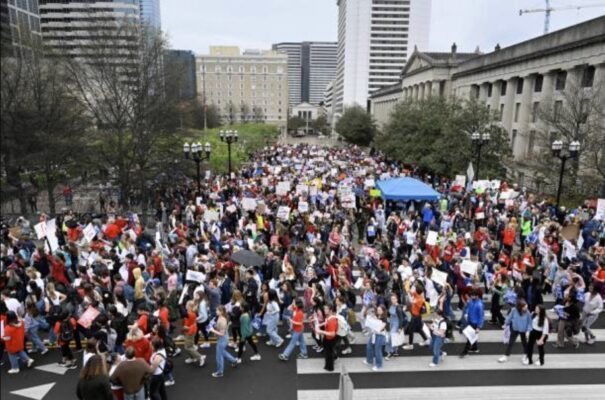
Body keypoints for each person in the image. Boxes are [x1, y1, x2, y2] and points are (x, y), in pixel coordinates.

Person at [498, 298, 532, 364]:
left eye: (526, 306)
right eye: (524, 307)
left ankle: (526, 355)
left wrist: (528, 331)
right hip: (515, 329)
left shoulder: (527, 312)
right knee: (510, 343)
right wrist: (506, 323)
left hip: (523, 330)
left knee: (524, 343)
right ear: (520, 307)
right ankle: (506, 355)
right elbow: (509, 317)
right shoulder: (514, 310)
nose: (526, 308)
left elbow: (529, 323)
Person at [209, 305, 239, 377]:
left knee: (219, 356)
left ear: (221, 312)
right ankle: (234, 361)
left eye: (217, 311)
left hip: (222, 339)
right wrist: (213, 325)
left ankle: (220, 372)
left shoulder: (223, 321)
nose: (216, 311)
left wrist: (212, 330)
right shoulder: (220, 317)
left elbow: (222, 334)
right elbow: (218, 327)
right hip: (222, 338)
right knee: (222, 352)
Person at [402, 283, 430, 350]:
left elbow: (412, 301)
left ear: (417, 290)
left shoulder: (419, 300)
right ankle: (426, 340)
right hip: (417, 316)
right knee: (419, 329)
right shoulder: (417, 295)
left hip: (415, 317)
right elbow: (410, 292)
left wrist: (411, 299)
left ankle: (410, 345)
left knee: (411, 330)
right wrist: (406, 287)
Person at [459, 289, 484, 358]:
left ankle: (465, 352)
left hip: (475, 323)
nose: (471, 297)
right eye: (471, 296)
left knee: (469, 338)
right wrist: (466, 313)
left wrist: (479, 327)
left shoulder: (479, 305)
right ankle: (474, 348)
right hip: (470, 321)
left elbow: (481, 317)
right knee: (472, 336)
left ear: (477, 296)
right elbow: (468, 308)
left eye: (472, 296)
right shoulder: (471, 301)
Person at [363, 305, 388, 371]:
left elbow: (382, 327)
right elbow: (368, 317)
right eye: (378, 310)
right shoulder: (377, 315)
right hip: (374, 334)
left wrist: (376, 326)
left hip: (380, 335)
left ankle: (379, 365)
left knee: (377, 349)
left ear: (383, 311)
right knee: (369, 346)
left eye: (380, 310)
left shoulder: (384, 318)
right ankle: (369, 360)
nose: (378, 311)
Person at [314, 304, 338, 372]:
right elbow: (326, 322)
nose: (324, 310)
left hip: (330, 339)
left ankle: (330, 367)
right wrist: (319, 325)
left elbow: (332, 334)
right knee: (328, 351)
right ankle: (335, 357)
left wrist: (321, 331)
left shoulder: (332, 320)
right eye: (324, 309)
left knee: (328, 354)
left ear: (330, 310)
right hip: (327, 338)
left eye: (326, 309)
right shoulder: (329, 316)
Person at [182, 300, 205, 366]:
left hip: (190, 332)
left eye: (186, 304)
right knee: (190, 346)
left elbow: (183, 313)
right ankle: (192, 358)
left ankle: (200, 357)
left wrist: (180, 305)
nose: (185, 305)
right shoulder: (190, 312)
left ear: (189, 306)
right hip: (189, 331)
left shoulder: (190, 314)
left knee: (188, 347)